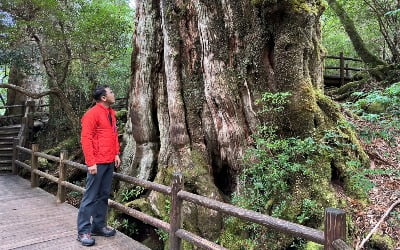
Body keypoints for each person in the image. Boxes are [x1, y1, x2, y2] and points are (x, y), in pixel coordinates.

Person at [77, 85, 121, 246]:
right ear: (103, 97)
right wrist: (91, 162)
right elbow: (86, 139)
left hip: (109, 161)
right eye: (111, 92)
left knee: (103, 195)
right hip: (97, 163)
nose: (113, 94)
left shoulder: (111, 113)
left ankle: (98, 226)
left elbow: (114, 134)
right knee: (90, 197)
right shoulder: (91, 114)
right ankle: (83, 231)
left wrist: (116, 153)